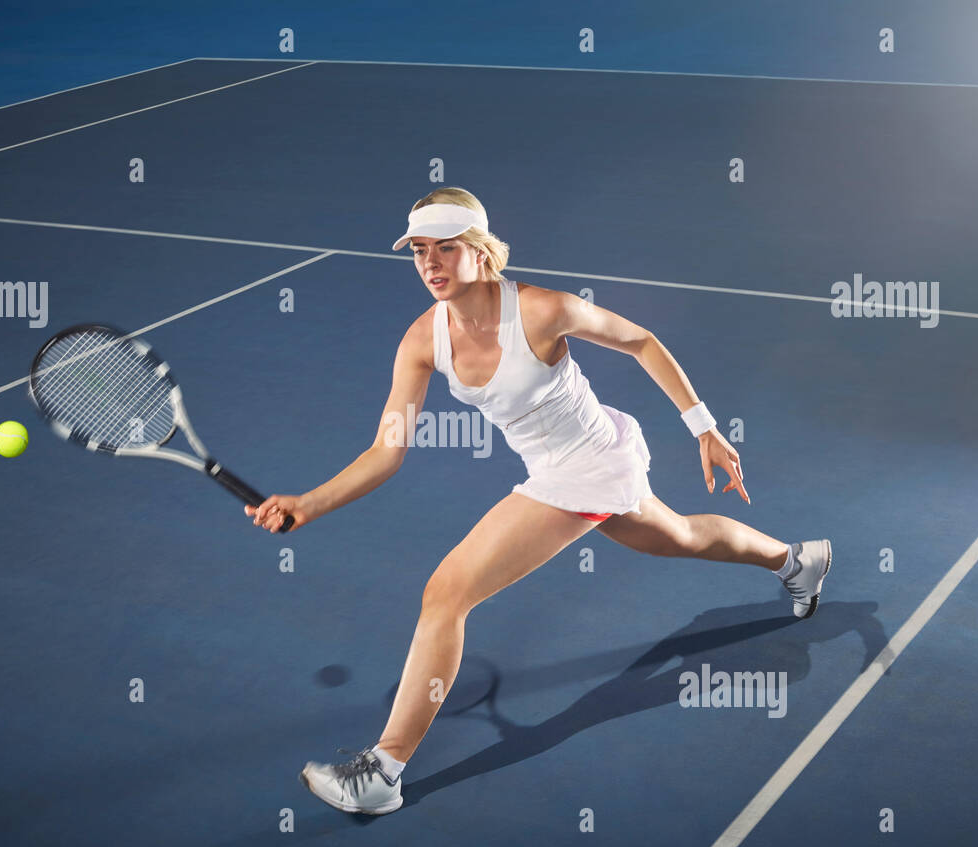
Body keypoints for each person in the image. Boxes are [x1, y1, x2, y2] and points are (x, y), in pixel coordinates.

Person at [244, 187, 831, 815]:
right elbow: (387, 451)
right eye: (419, 251)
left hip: (590, 463)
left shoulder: (544, 310)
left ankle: (381, 772)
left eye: (445, 248)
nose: (430, 263)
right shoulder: (422, 340)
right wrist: (309, 502)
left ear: (480, 251)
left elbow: (641, 340)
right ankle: (797, 561)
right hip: (557, 464)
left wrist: (705, 428)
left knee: (446, 594)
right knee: (679, 536)